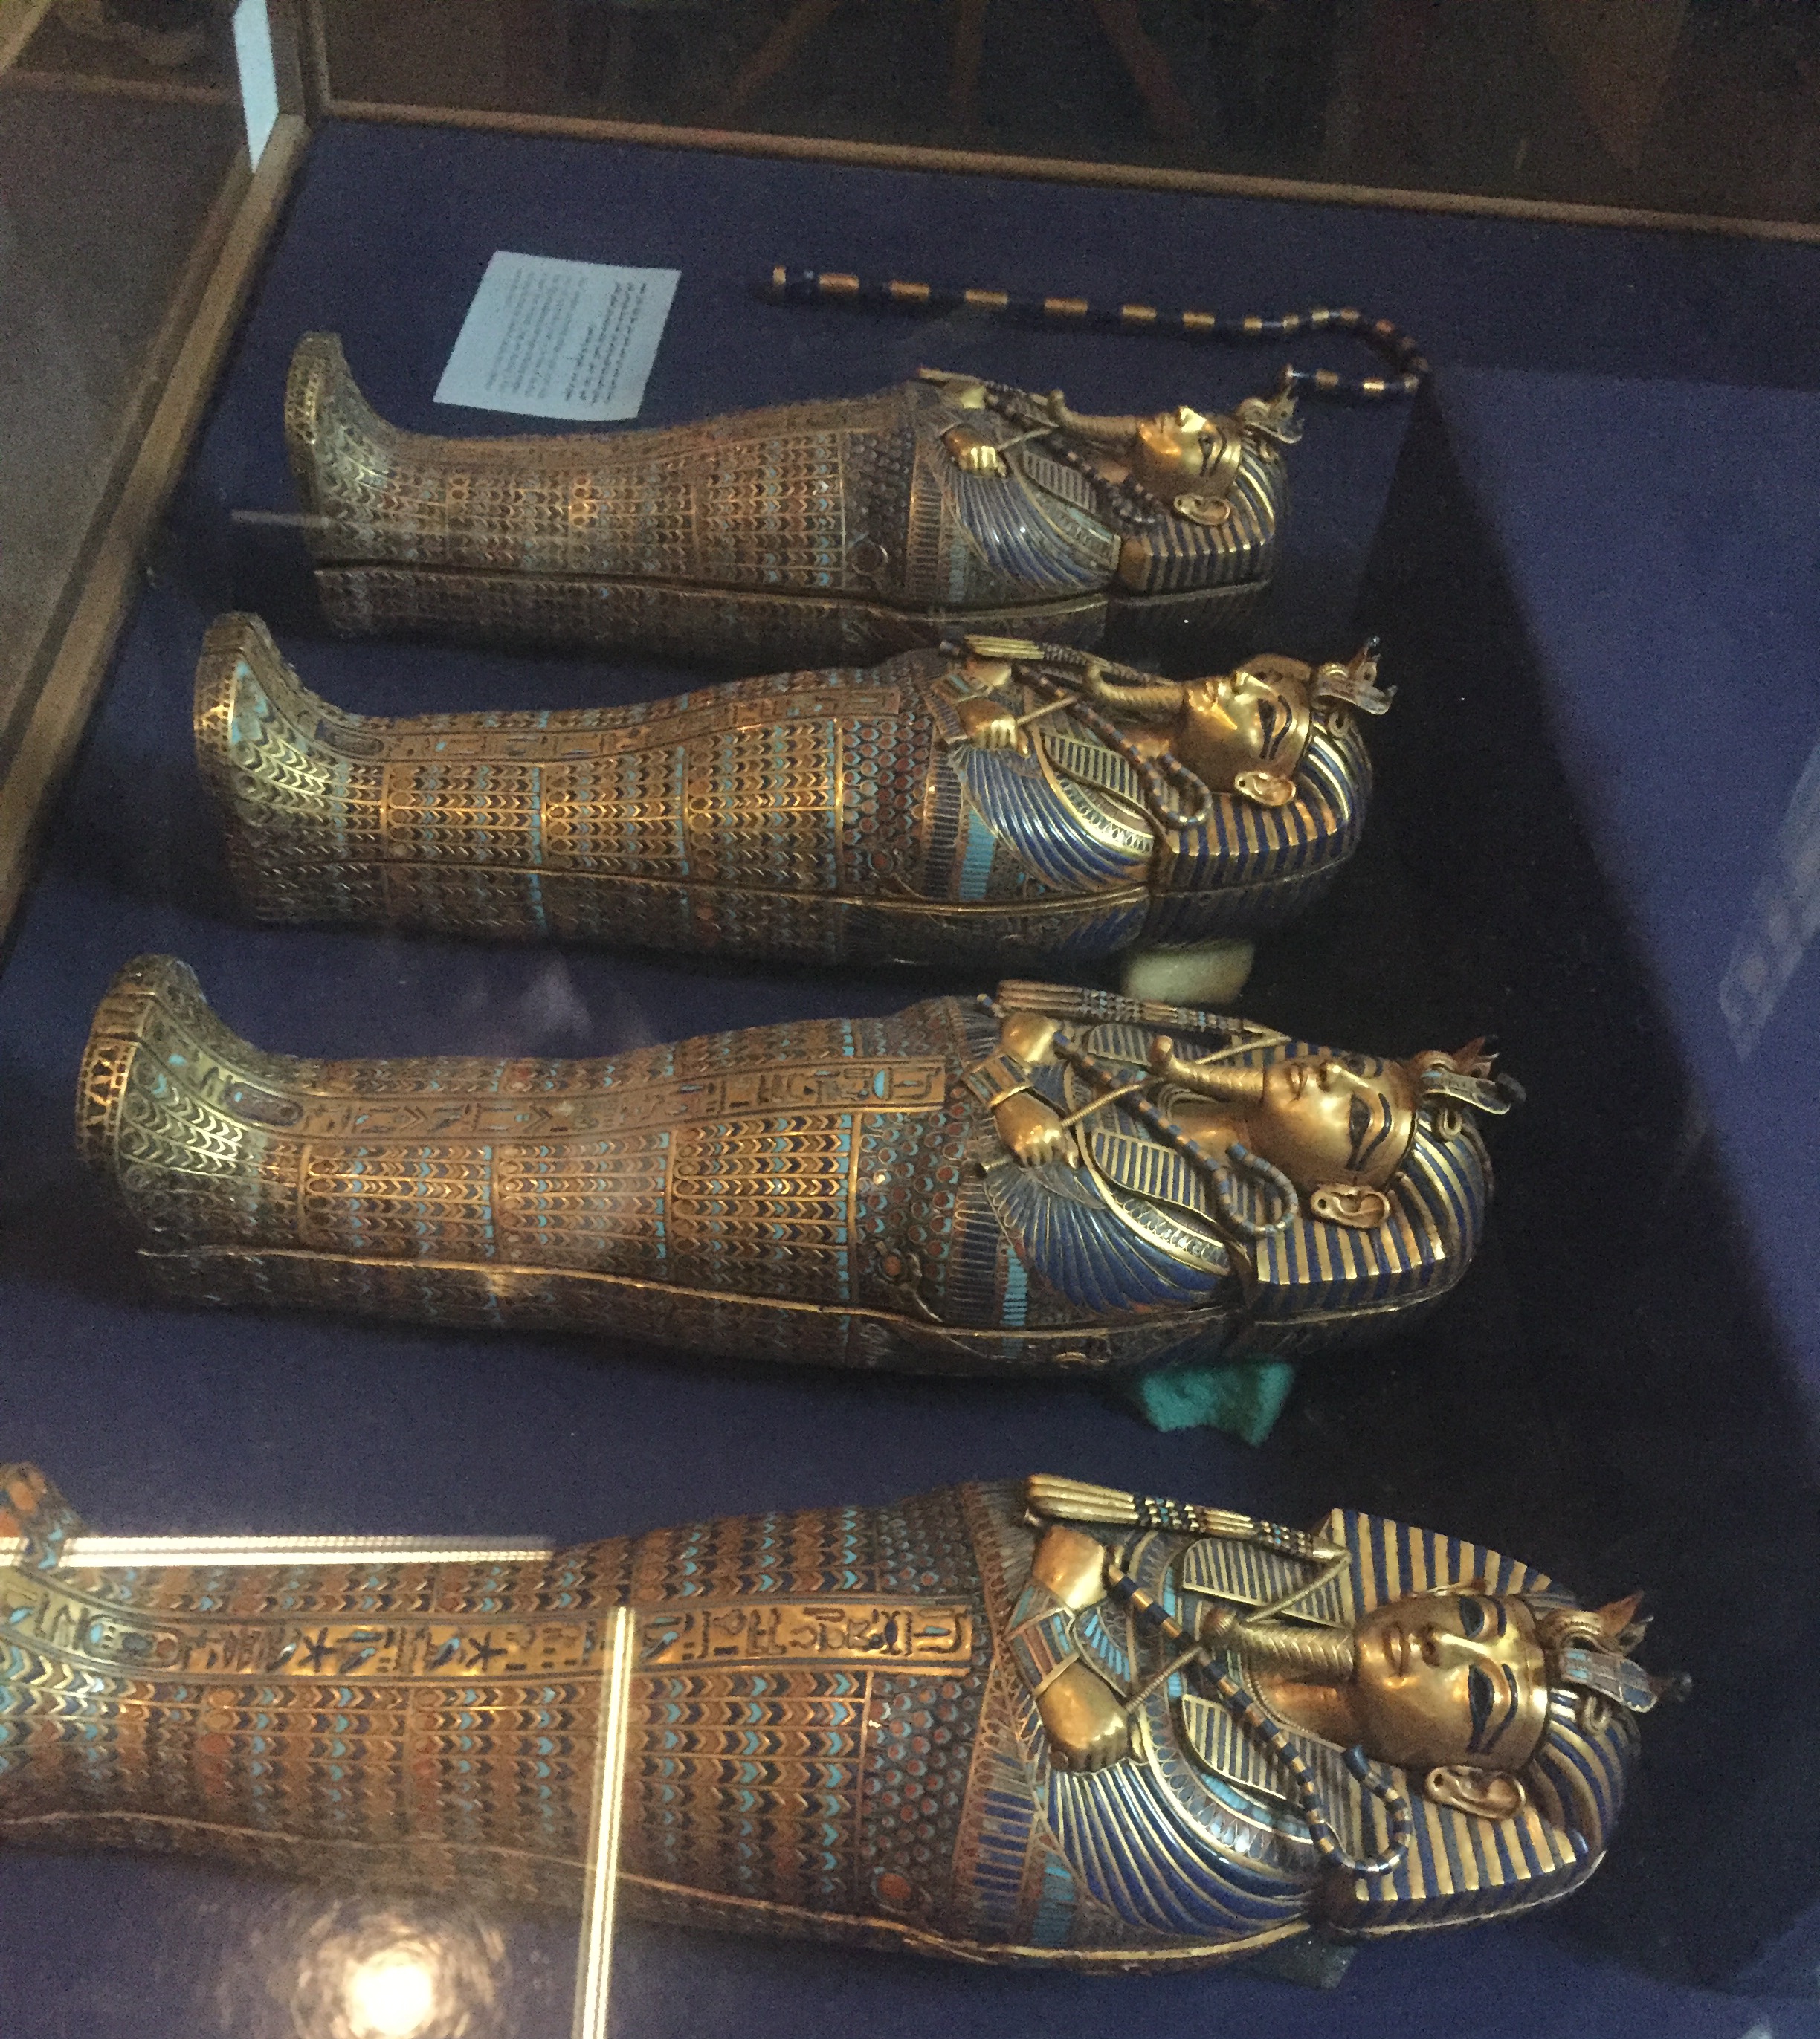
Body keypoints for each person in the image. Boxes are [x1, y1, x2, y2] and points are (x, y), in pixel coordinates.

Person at [0, 1464, 1679, 1965]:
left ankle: (65, 1709)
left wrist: (1056, 1615)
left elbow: (1034, 1840)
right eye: (1482, 1620)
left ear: (1465, 1793)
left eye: (1479, 1692)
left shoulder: (1255, 1842)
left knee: (443, 1741)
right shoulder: (1248, 1576)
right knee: (503, 1607)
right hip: (838, 1581)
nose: (1448, 1639)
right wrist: (1054, 1602)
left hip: (834, 1758)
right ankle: (85, 1602)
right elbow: (1031, 1528)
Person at [77, 964, 1517, 1374]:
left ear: (1340, 1203)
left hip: (837, 1198)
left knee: (546, 1201)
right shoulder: (1176, 1084)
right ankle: (255, 1098)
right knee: (559, 1105)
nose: (1335, 1079)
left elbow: (974, 1233)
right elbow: (1003, 1023)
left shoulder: (1186, 1250)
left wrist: (1020, 1091)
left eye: (1359, 1119)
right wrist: (1035, 1079)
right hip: (842, 1087)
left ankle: (218, 1182)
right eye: (1365, 1074)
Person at [199, 613, 1389, 972]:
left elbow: (969, 831)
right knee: (600, 748)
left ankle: (318, 811)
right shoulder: (1130, 734)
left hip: (845, 809)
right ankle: (334, 769)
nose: (1243, 688)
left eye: (1264, 714)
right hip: (842, 731)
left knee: (598, 810)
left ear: (1258, 784)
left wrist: (987, 721)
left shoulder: (1118, 844)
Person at [285, 339, 1301, 665]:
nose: (1184, 418)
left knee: (629, 517)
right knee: (630, 482)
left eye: (1205, 445)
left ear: (1196, 512)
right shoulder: (1079, 478)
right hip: (854, 467)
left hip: (854, 514)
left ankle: (385, 521)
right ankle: (389, 495)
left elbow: (965, 537)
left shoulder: (1075, 546)